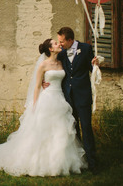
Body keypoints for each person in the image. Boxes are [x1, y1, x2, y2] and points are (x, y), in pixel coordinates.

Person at [0, 38, 87, 177]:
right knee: (42, 131)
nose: (59, 44)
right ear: (50, 49)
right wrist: (34, 106)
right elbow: (36, 86)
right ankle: (37, 162)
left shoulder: (61, 62)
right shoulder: (43, 65)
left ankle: (58, 161)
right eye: (55, 43)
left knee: (60, 131)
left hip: (60, 99)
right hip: (47, 99)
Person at [45, 27, 98, 173]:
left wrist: (95, 65)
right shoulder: (61, 53)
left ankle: (92, 162)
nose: (60, 44)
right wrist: (44, 81)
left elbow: (91, 69)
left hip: (83, 96)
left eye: (62, 41)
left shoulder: (86, 49)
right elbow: (50, 65)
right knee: (74, 130)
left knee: (86, 128)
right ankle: (79, 161)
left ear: (70, 40)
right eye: (59, 42)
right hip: (67, 97)